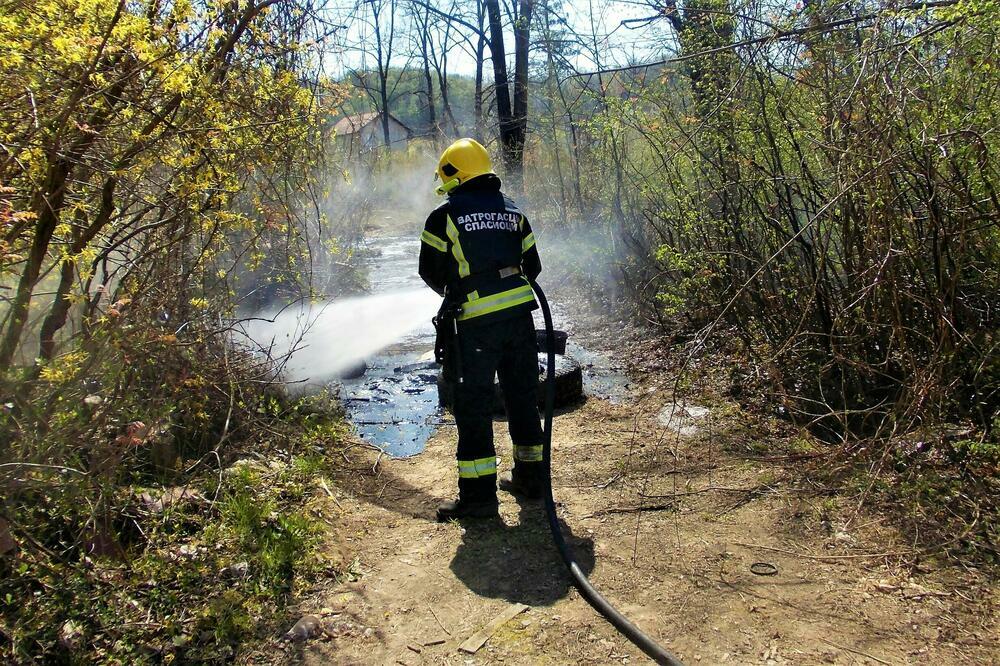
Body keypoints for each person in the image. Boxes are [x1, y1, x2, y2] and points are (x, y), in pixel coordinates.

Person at [419, 138, 545, 521]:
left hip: (475, 326)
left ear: (455, 175)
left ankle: (478, 499)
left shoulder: (444, 216)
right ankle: (532, 480)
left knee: (473, 406)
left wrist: (460, 291)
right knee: (522, 397)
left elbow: (429, 271)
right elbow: (533, 266)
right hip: (520, 320)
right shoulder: (513, 211)